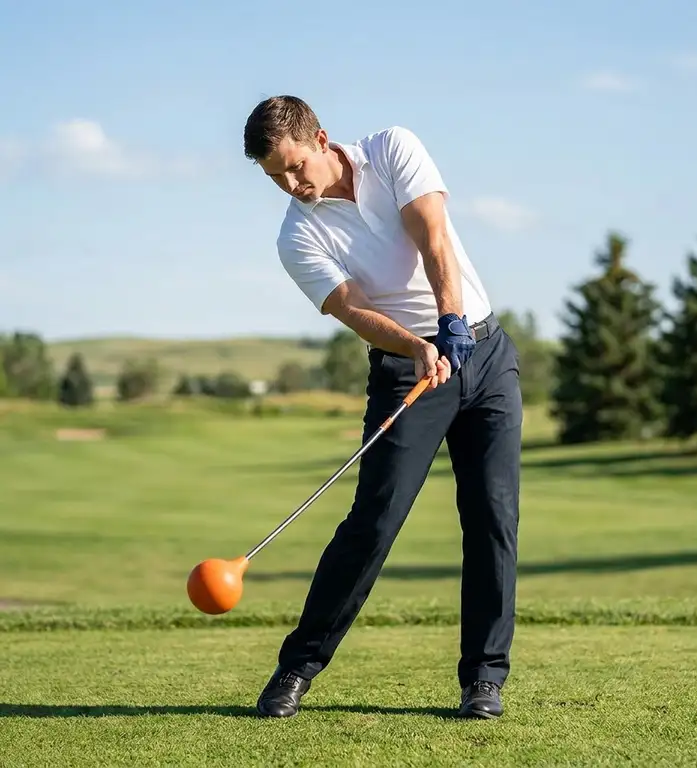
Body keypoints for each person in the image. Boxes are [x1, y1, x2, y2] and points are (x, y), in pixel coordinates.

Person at [243, 95, 523, 720]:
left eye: (294, 168)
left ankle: (483, 680)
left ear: (319, 137)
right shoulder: (298, 235)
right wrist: (419, 344)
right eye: (275, 178)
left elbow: (434, 237)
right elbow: (351, 311)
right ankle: (297, 667)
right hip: (407, 372)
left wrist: (451, 319)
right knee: (374, 521)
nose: (292, 185)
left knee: (492, 520)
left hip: (485, 353)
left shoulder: (392, 147)